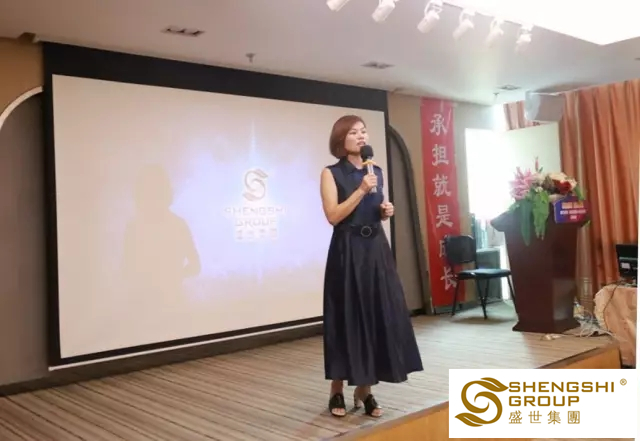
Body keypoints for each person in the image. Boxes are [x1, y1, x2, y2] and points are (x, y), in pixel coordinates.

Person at [320, 115, 424, 418]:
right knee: (347, 316)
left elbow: (373, 209)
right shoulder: (331, 173)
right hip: (347, 250)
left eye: (363, 131)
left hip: (376, 248)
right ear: (341, 139)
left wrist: (385, 211)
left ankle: (365, 389)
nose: (361, 136)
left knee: (377, 314)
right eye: (354, 132)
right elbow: (333, 215)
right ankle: (337, 388)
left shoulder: (374, 170)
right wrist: (361, 190)